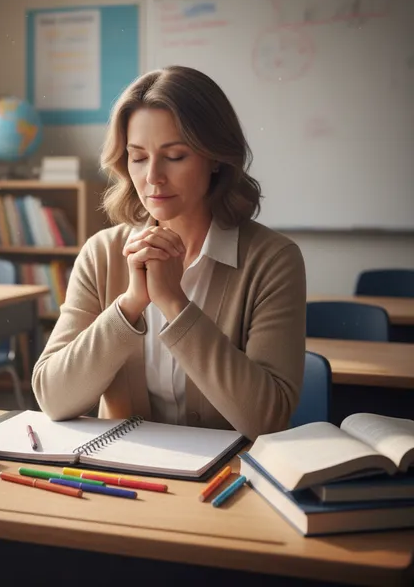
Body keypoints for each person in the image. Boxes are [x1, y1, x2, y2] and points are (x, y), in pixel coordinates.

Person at [32, 65, 306, 440]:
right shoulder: (101, 254)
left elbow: (268, 419)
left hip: (227, 483)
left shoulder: (273, 261)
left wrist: (175, 304)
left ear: (215, 159)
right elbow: (53, 398)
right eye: (138, 157)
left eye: (175, 156)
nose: (153, 177)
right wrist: (130, 305)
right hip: (124, 482)